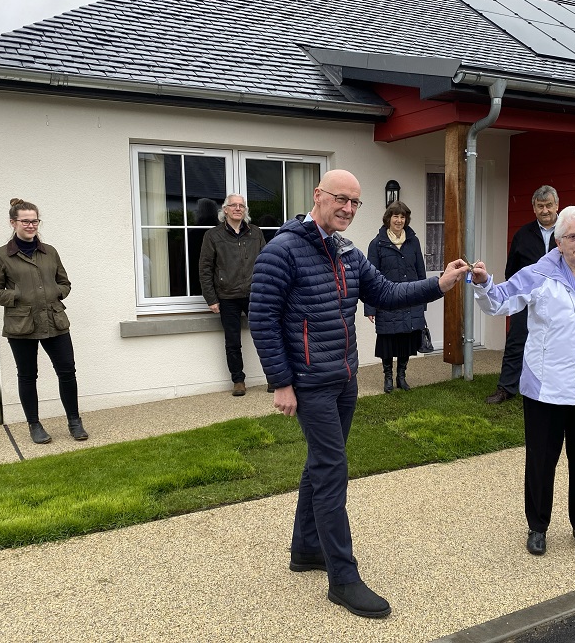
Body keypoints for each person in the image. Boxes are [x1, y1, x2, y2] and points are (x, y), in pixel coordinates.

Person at [249, 169, 471, 619]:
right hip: (309, 382)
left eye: (356, 202)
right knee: (332, 471)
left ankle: (306, 549)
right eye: (341, 199)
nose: (348, 208)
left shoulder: (347, 251)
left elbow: (386, 292)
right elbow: (263, 319)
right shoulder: (282, 251)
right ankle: (343, 579)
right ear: (318, 196)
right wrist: (282, 382)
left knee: (321, 464)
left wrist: (439, 284)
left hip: (344, 378)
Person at [468, 206, 575, 559]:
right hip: (545, 389)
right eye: (573, 236)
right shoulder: (539, 274)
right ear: (558, 241)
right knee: (542, 461)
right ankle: (538, 527)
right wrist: (483, 283)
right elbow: (500, 302)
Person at [0, 198, 87, 445]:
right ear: (13, 223)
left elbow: (65, 282)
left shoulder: (49, 251)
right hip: (22, 325)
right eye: (26, 221)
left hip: (55, 320)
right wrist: (17, 295)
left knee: (67, 372)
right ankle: (35, 425)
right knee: (28, 376)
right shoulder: (1, 255)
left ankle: (74, 421)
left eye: (35, 221)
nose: (31, 225)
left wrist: (56, 292)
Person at [485, 186, 559, 404]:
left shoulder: (568, 232)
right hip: (526, 298)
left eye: (549, 205)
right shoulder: (523, 235)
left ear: (557, 206)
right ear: (534, 208)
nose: (545, 210)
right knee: (516, 341)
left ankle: (552, 387)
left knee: (557, 342)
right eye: (540, 206)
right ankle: (506, 388)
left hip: (559, 298)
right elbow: (511, 270)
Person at [199, 194, 266, 397]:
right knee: (233, 341)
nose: (238, 208)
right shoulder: (213, 236)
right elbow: (205, 268)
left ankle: (274, 377)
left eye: (241, 206)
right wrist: (211, 298)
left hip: (254, 295)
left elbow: (266, 262)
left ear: (245, 210)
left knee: (265, 337)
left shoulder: (255, 233)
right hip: (227, 296)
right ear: (225, 210)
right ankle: (238, 380)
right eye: (233, 205)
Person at [364, 201, 427, 393]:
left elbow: (420, 272)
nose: (399, 220)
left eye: (402, 217)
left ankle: (402, 376)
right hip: (387, 302)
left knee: (406, 341)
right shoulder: (377, 244)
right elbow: (369, 278)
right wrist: (370, 308)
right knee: (388, 342)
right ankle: (388, 378)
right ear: (388, 219)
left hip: (410, 299)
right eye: (395, 216)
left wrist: (422, 300)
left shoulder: (413, 241)